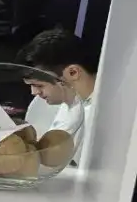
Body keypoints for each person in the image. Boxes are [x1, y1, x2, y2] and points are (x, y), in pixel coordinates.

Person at [17, 28, 97, 166]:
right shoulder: (44, 104)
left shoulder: (104, 118)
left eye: (39, 85)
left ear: (72, 72)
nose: (34, 92)